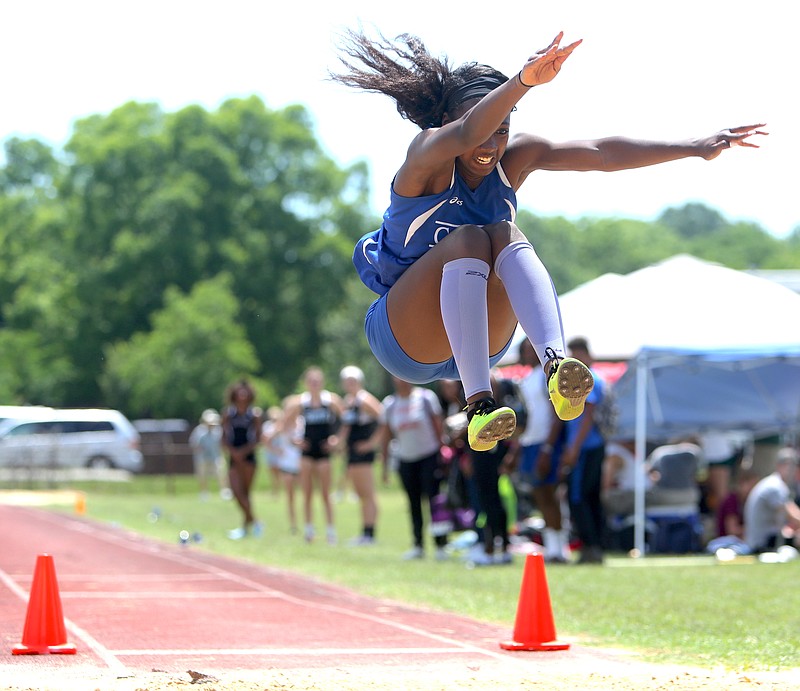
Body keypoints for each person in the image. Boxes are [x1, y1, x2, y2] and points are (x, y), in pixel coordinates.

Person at [331, 28, 765, 456]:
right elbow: (466, 135)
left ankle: (556, 367)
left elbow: (602, 153)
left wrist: (692, 147)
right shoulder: (426, 156)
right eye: (483, 129)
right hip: (404, 336)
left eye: (502, 131)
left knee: (503, 234)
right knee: (469, 239)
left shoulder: (513, 160)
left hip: (483, 341)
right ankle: (480, 405)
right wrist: (521, 83)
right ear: (449, 123)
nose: (490, 146)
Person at [376, 376, 449, 560]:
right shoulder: (390, 404)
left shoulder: (426, 398)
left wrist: (444, 454)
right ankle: (418, 544)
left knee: (434, 501)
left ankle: (441, 544)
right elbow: (385, 436)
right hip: (405, 459)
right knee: (413, 502)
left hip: (429, 456)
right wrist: (384, 467)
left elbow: (438, 427)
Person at [549, 337, 607, 564]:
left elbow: (587, 417)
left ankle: (590, 547)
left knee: (577, 497)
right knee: (591, 497)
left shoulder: (587, 379)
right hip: (593, 446)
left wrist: (573, 448)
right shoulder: (599, 378)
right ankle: (596, 546)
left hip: (585, 448)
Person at [283, 366, 344, 545]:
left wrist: (336, 440)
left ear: (322, 382)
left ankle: (331, 531)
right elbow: (284, 423)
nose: (314, 384)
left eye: (317, 381)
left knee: (326, 493)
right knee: (307, 493)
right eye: (311, 381)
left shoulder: (331, 400)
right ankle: (309, 530)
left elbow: (345, 421)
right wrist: (294, 441)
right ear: (306, 383)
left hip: (324, 453)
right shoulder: (300, 403)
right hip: (307, 453)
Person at [339, 365, 384, 545]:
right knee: (360, 494)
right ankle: (365, 531)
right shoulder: (349, 401)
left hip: (363, 454)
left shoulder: (365, 400)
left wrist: (371, 443)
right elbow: (346, 427)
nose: (350, 384)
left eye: (353, 381)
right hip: (352, 453)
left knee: (367, 494)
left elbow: (384, 420)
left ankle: (369, 533)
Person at [221, 380, 263, 539]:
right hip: (233, 458)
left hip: (249, 458)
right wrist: (233, 453)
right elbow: (223, 437)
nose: (242, 395)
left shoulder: (254, 414)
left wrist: (243, 452)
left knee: (246, 493)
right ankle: (255, 521)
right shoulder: (228, 414)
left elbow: (258, 438)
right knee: (236, 492)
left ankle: (245, 527)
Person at [743, 447, 800, 553]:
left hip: (765, 540)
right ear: (779, 466)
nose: (793, 471)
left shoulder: (776, 484)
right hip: (762, 544)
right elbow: (794, 516)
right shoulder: (775, 486)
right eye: (789, 466)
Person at [262, 403, 303, 534]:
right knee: (290, 496)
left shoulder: (303, 422)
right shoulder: (282, 425)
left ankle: (307, 524)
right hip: (287, 464)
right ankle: (293, 524)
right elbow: (266, 440)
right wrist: (276, 451)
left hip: (303, 464)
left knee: (306, 495)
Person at [188, 408, 229, 501]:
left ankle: (224, 491)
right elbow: (193, 444)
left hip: (216, 457)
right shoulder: (199, 431)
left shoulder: (218, 431)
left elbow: (222, 444)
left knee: (221, 473)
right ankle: (204, 492)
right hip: (202, 458)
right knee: (202, 475)